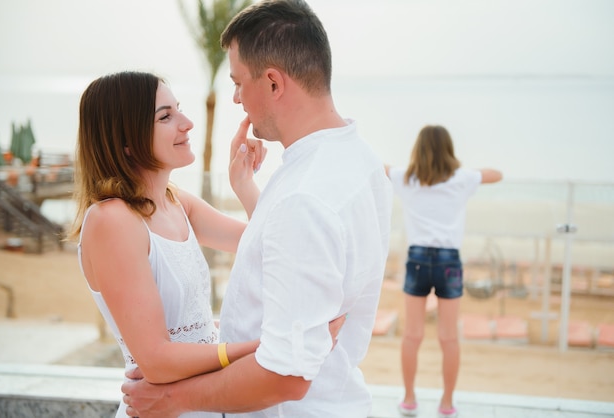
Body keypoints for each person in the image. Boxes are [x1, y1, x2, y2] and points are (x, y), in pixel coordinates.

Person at [121, 0, 393, 417]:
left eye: (238, 81)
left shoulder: (304, 195)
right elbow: (283, 248)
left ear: (272, 83)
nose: (234, 97)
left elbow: (286, 377)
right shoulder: (358, 158)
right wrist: (247, 190)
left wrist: (170, 399)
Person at [69, 70, 268, 418]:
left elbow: (266, 245)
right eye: (166, 116)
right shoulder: (111, 221)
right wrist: (258, 349)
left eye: (179, 109)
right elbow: (158, 361)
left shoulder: (177, 202)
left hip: (205, 406)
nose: (187, 123)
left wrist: (244, 183)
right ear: (126, 139)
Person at [385, 125, 503, 418]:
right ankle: (447, 403)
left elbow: (378, 167)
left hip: (417, 260)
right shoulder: (461, 179)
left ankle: (409, 399)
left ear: (418, 150)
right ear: (449, 151)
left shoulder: (406, 178)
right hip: (449, 262)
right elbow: (497, 173)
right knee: (448, 337)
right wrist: (464, 172)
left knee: (412, 335)